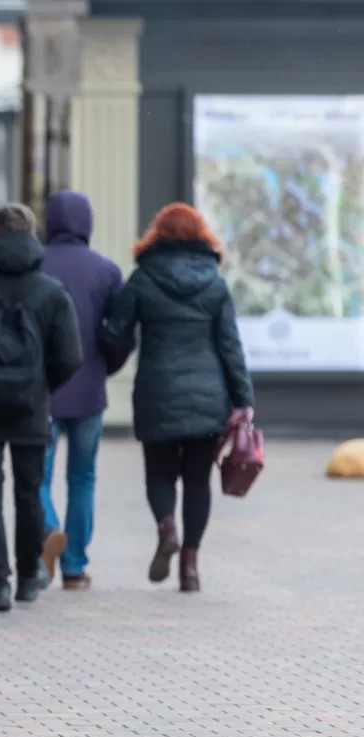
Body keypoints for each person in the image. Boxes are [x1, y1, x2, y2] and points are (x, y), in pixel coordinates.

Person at [100, 202, 253, 593]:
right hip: (208, 396)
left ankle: (167, 526)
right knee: (198, 481)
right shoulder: (215, 284)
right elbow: (230, 347)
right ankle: (190, 567)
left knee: (159, 472)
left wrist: (99, 340)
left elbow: (118, 335)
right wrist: (243, 398)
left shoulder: (142, 279)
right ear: (201, 236)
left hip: (157, 391)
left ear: (158, 235)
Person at [0, 203, 82, 612]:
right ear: (32, 234)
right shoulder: (51, 291)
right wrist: (41, 386)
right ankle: (28, 578)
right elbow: (70, 357)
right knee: (28, 494)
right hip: (30, 407)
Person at [36, 191, 124, 591]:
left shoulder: (35, 264)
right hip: (89, 390)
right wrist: (106, 367)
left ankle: (49, 530)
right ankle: (74, 566)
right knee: (83, 477)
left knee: (38, 476)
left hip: (43, 392)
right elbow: (121, 334)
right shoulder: (106, 271)